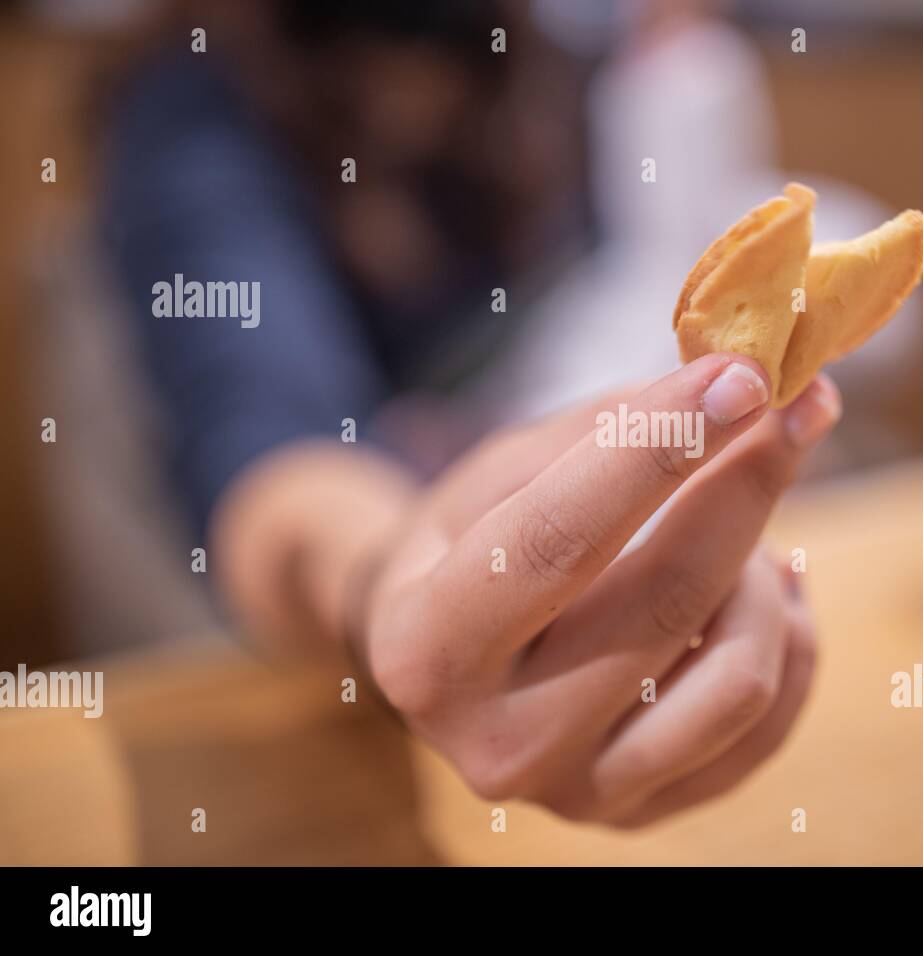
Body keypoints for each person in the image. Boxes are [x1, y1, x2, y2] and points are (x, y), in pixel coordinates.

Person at [101, 0, 839, 826]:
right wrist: (392, 587)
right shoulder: (199, 106)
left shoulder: (545, 68)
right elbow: (271, 456)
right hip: (292, 715)